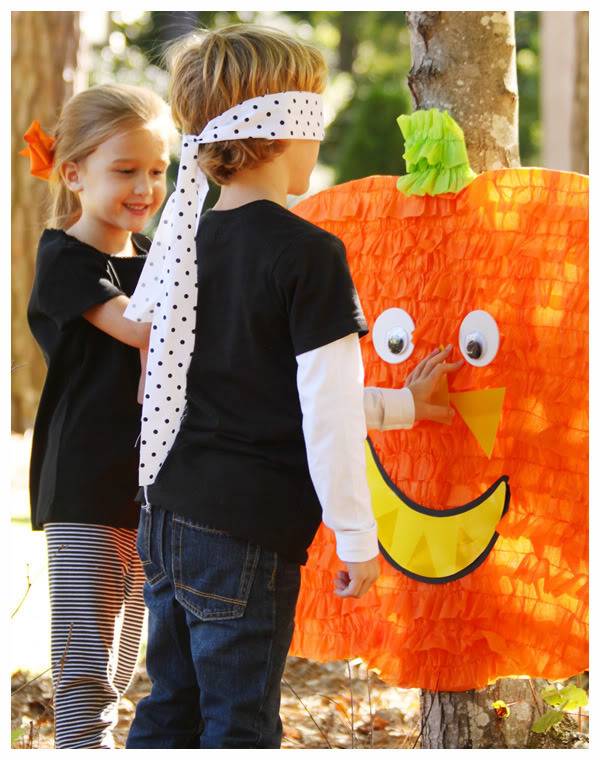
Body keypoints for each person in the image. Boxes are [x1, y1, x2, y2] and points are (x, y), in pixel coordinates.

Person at [124, 24, 461, 749]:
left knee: (170, 710)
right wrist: (356, 535)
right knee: (239, 725)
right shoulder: (308, 253)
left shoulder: (186, 242)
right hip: (245, 532)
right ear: (285, 129)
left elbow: (251, 386)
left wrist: (405, 405)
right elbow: (326, 409)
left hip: (166, 514)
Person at [23, 83, 174, 749]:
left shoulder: (151, 261)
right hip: (85, 476)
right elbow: (138, 327)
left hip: (148, 479)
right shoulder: (65, 256)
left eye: (158, 171)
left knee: (124, 653)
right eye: (126, 171)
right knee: (87, 657)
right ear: (74, 173)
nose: (145, 187)